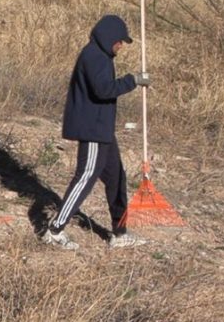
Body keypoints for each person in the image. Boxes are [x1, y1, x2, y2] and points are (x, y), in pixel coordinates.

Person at [41, 15, 151, 250]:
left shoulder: (101, 56)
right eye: (120, 41)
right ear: (109, 37)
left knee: (117, 178)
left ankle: (119, 234)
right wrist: (134, 81)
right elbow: (103, 90)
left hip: (103, 129)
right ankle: (54, 230)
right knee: (85, 177)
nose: (121, 46)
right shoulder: (93, 56)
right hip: (92, 129)